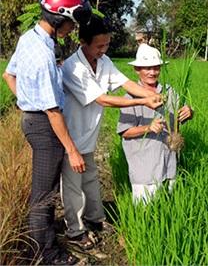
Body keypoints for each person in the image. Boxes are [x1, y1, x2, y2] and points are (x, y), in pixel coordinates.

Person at [2, 0, 92, 265]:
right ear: (59, 18)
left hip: (33, 119)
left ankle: (41, 244)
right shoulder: (42, 55)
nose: (72, 28)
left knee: (43, 191)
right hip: (44, 126)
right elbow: (53, 112)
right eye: (71, 22)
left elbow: (8, 75)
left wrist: (28, 100)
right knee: (44, 195)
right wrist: (73, 151)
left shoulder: (30, 39)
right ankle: (46, 253)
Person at [61, 14, 163, 250]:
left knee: (91, 181)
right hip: (72, 139)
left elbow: (127, 84)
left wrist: (152, 95)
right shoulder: (72, 68)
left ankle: (95, 221)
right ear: (83, 42)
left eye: (106, 44)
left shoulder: (104, 61)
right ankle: (75, 232)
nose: (103, 49)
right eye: (99, 45)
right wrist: (143, 103)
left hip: (89, 137)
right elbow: (102, 100)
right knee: (73, 187)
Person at [117, 45, 193, 204]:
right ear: (137, 70)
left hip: (169, 163)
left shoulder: (169, 91)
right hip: (145, 166)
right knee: (145, 212)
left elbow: (178, 119)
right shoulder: (130, 97)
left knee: (169, 206)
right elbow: (124, 132)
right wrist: (147, 128)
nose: (152, 72)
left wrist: (188, 112)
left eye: (156, 68)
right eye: (147, 68)